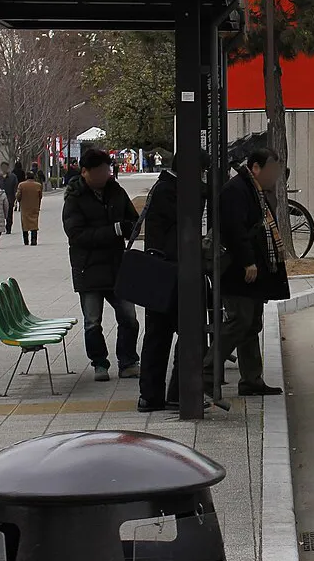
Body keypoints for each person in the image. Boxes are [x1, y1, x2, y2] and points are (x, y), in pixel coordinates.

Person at [212, 147, 291, 397]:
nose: (274, 176)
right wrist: (248, 261)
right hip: (238, 271)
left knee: (252, 324)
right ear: (255, 168)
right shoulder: (236, 190)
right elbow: (235, 230)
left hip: (254, 271)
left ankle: (251, 379)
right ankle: (205, 369)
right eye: (270, 170)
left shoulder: (256, 191)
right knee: (240, 321)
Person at [137, 150, 208, 413]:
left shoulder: (167, 187)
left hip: (166, 271)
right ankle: (166, 393)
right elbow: (187, 215)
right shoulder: (169, 191)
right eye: (201, 172)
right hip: (168, 272)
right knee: (168, 334)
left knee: (161, 335)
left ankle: (160, 394)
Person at [63, 148, 141, 382]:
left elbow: (133, 220)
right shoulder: (74, 197)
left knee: (129, 317)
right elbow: (76, 234)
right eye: (99, 171)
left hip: (118, 265)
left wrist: (130, 228)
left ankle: (128, 361)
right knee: (92, 321)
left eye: (107, 170)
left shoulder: (116, 190)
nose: (104, 175)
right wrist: (114, 230)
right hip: (88, 268)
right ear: (85, 172)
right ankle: (99, 363)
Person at [17, 171, 43, 245]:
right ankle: (34, 239)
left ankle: (26, 240)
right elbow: (40, 196)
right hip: (34, 206)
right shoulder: (38, 185)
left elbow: (18, 196)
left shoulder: (21, 185)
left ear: (26, 177)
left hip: (24, 207)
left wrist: (19, 201)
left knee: (25, 223)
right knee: (34, 223)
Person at [0, 162, 19, 234]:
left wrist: (15, 197)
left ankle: (8, 228)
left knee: (9, 214)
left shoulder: (13, 177)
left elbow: (15, 187)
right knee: (0, 214)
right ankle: (0, 228)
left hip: (10, 198)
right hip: (0, 199)